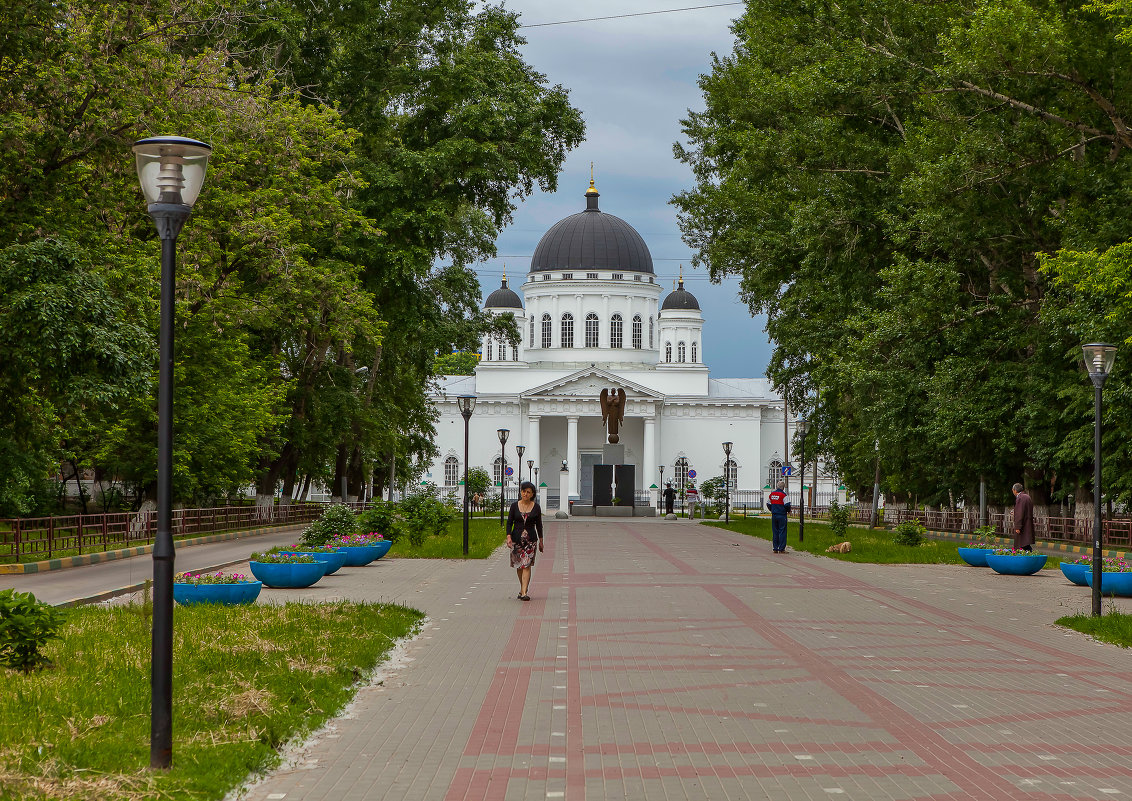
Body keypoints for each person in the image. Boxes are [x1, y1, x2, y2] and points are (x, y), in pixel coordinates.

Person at [506, 481, 545, 600]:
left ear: (532, 494)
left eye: (528, 492)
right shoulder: (514, 506)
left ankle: (524, 593)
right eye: (524, 491)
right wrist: (508, 537)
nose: (525, 494)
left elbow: (539, 525)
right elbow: (509, 522)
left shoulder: (536, 507)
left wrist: (541, 541)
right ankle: (523, 587)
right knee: (519, 566)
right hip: (517, 539)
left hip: (530, 541)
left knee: (526, 565)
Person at [766, 481, 791, 553]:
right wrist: (788, 511)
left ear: (777, 486)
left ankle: (775, 548)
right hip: (782, 515)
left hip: (774, 515)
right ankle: (781, 548)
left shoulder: (772, 494)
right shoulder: (784, 495)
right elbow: (787, 505)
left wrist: (772, 509)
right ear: (783, 487)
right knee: (782, 531)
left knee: (775, 531)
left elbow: (768, 503)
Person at [1012, 482, 1034, 552]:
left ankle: (1028, 557)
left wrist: (1018, 526)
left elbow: (1020, 513)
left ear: (1015, 490)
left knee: (1022, 543)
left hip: (1023, 525)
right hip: (1027, 523)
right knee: (1025, 542)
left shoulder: (1020, 498)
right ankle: (1030, 555)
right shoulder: (1027, 496)